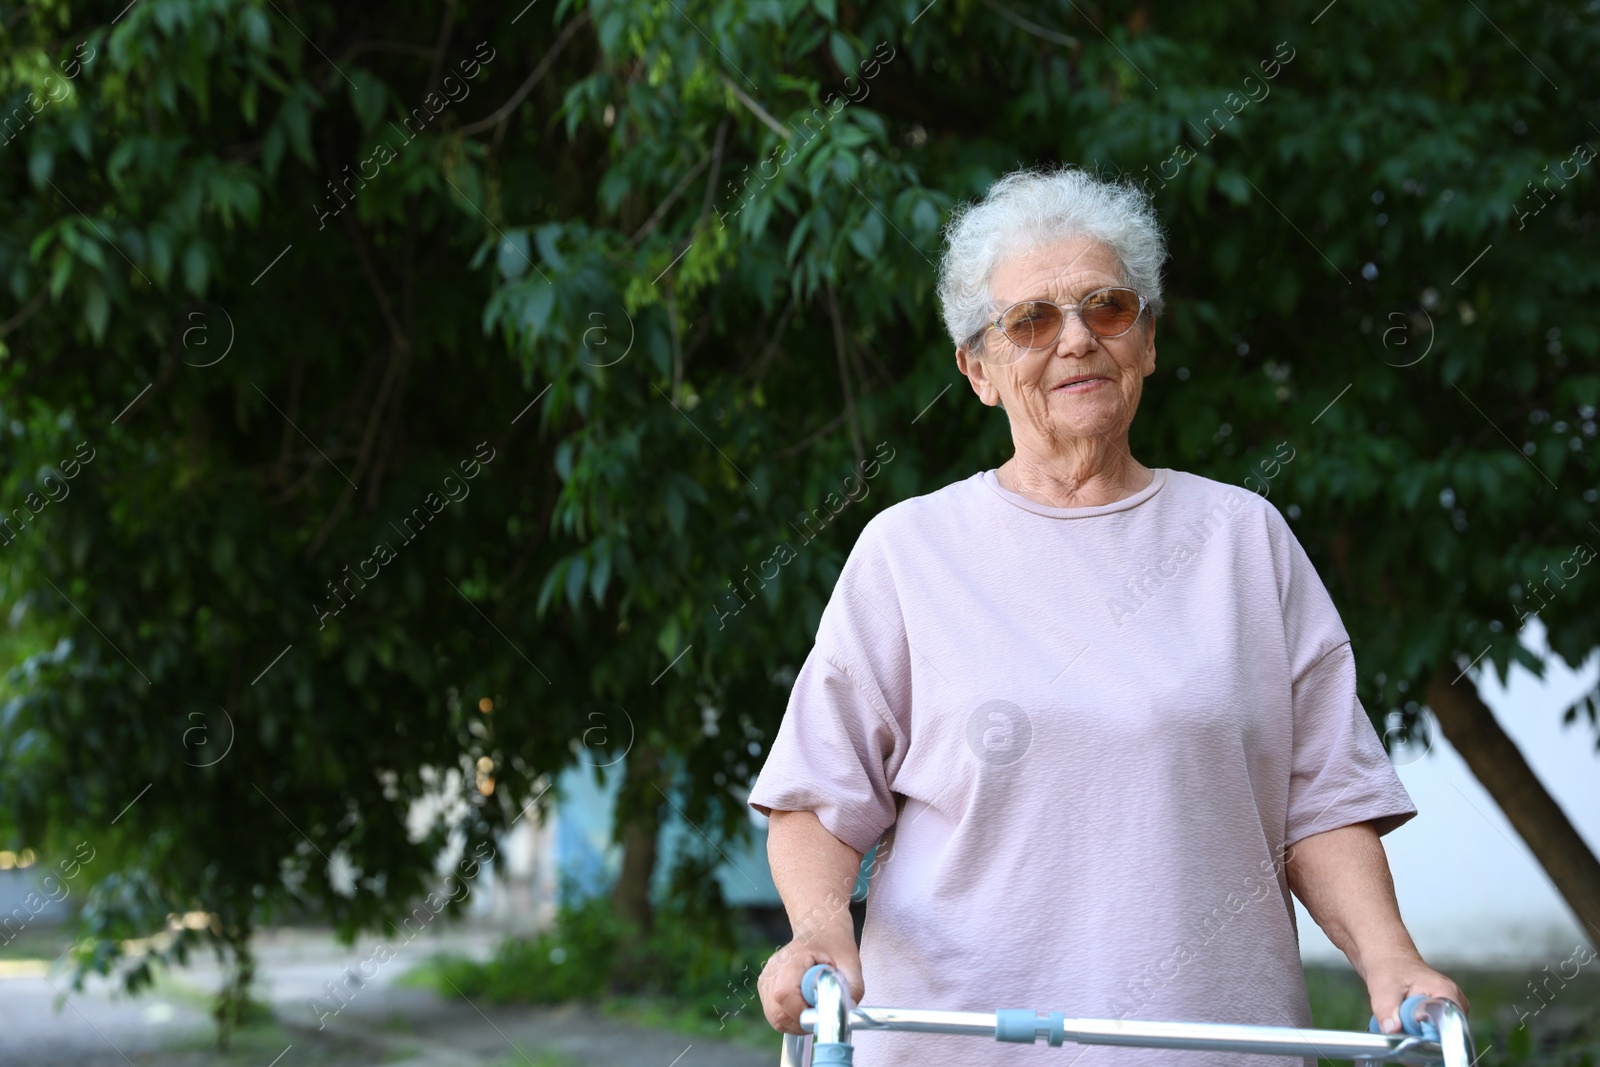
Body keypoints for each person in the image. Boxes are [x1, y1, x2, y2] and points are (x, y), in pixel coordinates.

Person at [747, 165, 1467, 1066]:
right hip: (963, 1047)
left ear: (1149, 340)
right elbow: (819, 795)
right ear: (978, 370)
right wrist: (819, 931)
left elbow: (1320, 799)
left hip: (1212, 1046)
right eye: (1032, 322)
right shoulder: (907, 552)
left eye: (1108, 308)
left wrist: (1391, 961)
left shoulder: (1244, 540)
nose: (1078, 340)